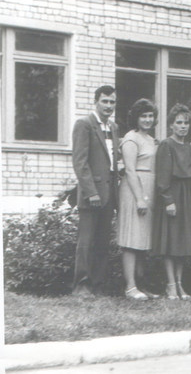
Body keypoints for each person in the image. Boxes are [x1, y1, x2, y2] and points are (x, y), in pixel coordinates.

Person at [71, 85, 120, 297]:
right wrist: (91, 192)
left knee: (102, 242)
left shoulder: (114, 127)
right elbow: (80, 163)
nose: (108, 106)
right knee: (86, 242)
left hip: (109, 194)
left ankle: (98, 285)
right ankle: (81, 286)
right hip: (92, 194)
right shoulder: (84, 124)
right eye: (104, 101)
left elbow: (112, 162)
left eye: (112, 102)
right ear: (96, 102)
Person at [152, 104, 191, 300]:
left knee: (182, 243)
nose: (183, 126)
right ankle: (170, 285)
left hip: (187, 195)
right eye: (179, 122)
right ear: (171, 125)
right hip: (172, 195)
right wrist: (168, 200)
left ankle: (180, 284)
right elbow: (162, 177)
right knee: (171, 242)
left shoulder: (190, 147)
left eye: (186, 123)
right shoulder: (166, 145)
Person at [117, 99, 159, 300]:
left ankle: (142, 285)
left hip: (149, 187)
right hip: (134, 190)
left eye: (150, 116)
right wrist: (140, 198)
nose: (147, 120)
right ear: (136, 117)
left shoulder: (151, 139)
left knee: (143, 239)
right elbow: (130, 170)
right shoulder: (131, 138)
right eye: (143, 116)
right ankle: (130, 287)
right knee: (131, 238)